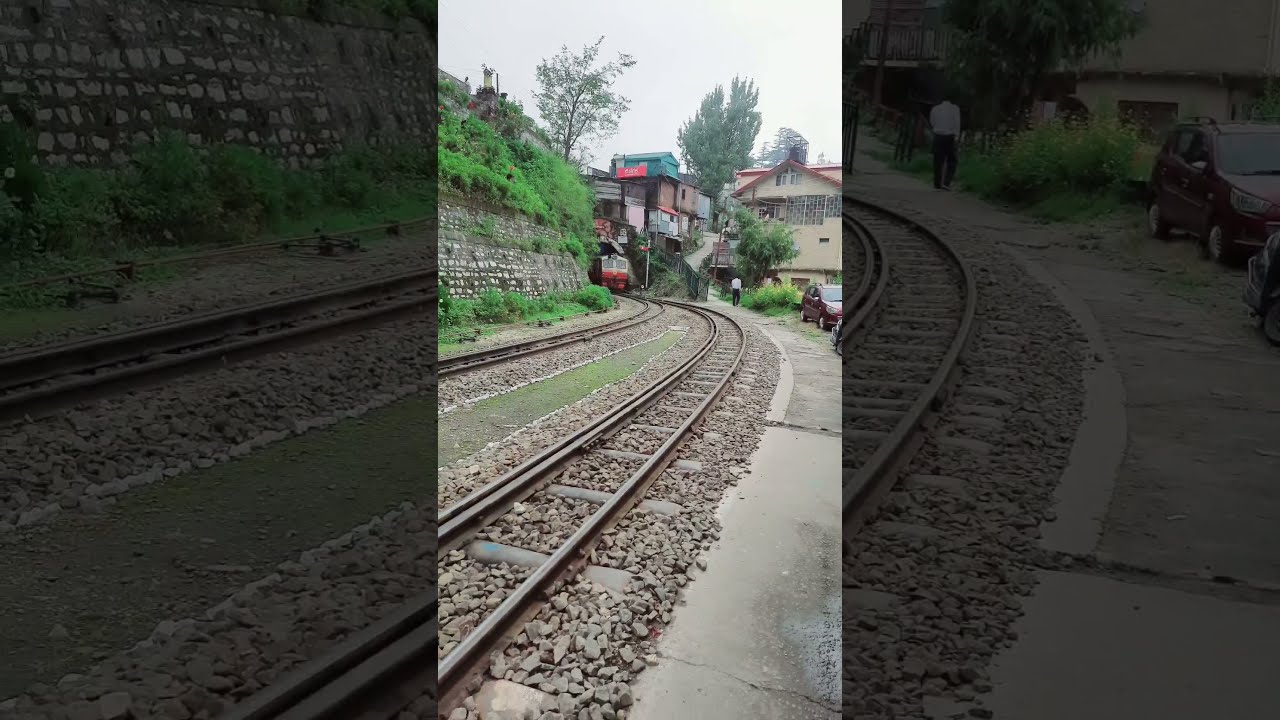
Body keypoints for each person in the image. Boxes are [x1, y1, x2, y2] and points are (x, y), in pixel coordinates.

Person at [929, 94, 961, 190]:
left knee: (938, 161)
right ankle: (947, 183)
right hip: (949, 137)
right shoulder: (955, 109)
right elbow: (957, 123)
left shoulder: (935, 108)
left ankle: (937, 183)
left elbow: (932, 122)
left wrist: (937, 129)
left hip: (938, 136)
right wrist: (956, 136)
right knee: (952, 160)